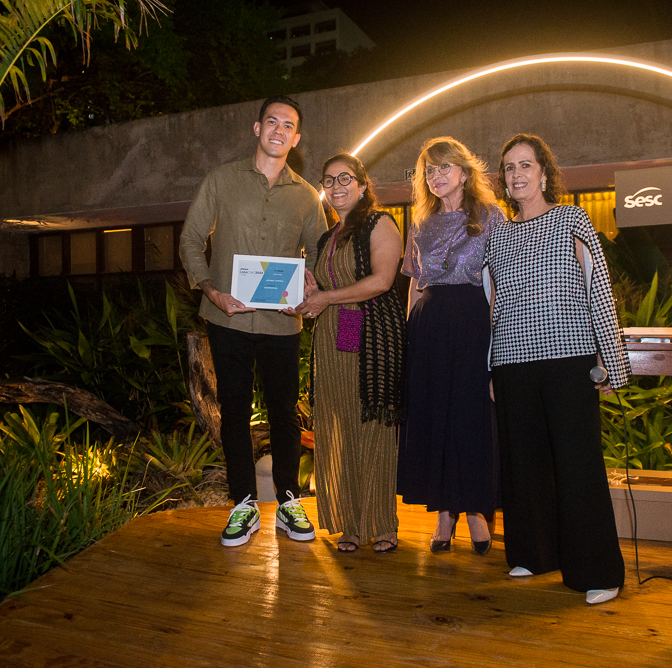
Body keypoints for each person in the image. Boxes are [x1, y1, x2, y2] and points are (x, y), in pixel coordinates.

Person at [484, 133, 631, 605]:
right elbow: (493, 307)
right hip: (512, 362)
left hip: (569, 358)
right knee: (523, 465)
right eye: (509, 168)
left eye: (526, 165)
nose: (517, 174)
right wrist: (490, 368)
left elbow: (598, 290)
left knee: (577, 464)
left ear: (544, 173)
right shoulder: (498, 234)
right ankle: (535, 553)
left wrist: (610, 360)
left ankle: (597, 571)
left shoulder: (572, 219)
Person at [180, 96, 328, 547]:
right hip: (227, 319)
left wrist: (308, 283)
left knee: (284, 414)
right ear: (257, 127)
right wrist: (211, 289)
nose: (279, 130)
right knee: (234, 412)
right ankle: (243, 503)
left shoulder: (306, 196)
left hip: (282, 323)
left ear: (296, 138)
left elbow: (319, 251)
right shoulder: (221, 180)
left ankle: (288, 502)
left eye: (288, 126)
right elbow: (190, 238)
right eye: (272, 122)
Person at [397, 137, 506, 555]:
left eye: (444, 167)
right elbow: (414, 283)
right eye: (429, 170)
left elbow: (498, 284)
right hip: (429, 326)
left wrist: (496, 342)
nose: (436, 176)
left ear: (464, 172)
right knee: (434, 417)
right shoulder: (420, 223)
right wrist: (409, 337)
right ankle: (444, 512)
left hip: (473, 322)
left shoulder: (491, 216)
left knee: (470, 417)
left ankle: (475, 509)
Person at [296, 154, 405, 554]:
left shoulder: (380, 223)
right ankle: (352, 524)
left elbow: (382, 281)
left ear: (362, 185)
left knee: (372, 425)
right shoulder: (328, 237)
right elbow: (326, 290)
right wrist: (309, 296)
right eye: (329, 180)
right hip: (337, 332)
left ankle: (383, 523)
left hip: (373, 332)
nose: (336, 186)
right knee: (341, 424)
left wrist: (326, 297)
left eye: (345, 178)